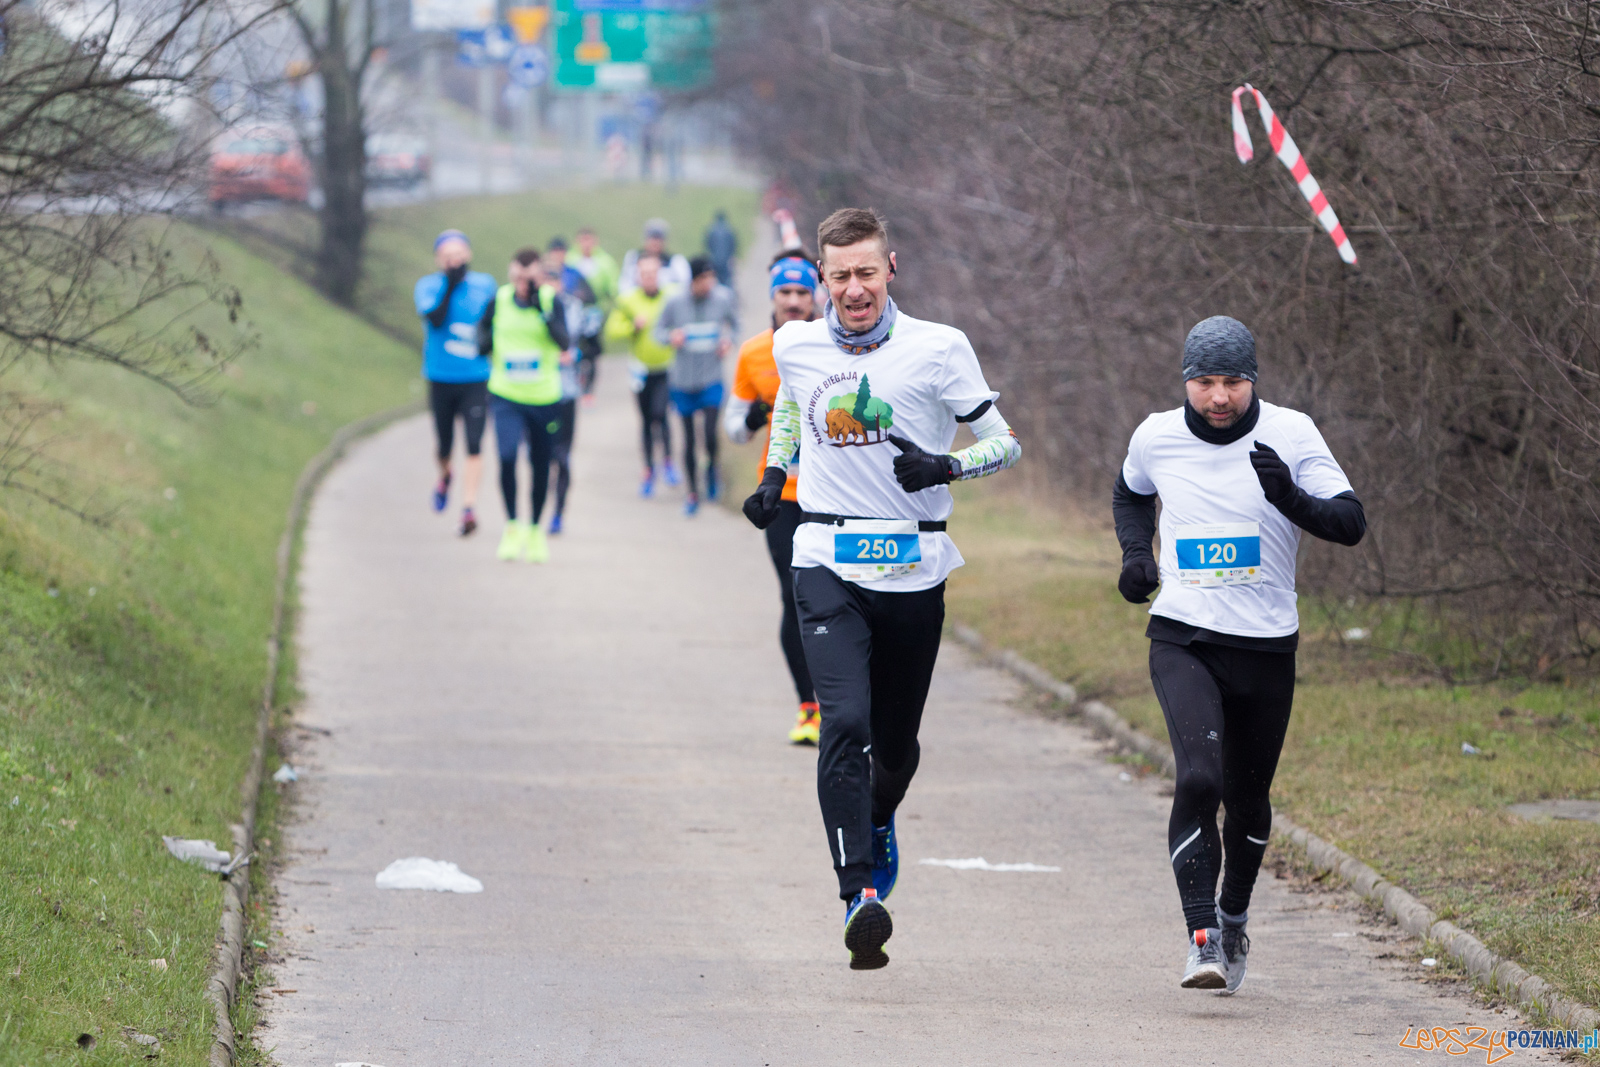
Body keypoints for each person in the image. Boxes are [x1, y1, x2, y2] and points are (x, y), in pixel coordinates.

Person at [742, 208, 1022, 970]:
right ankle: (858, 892)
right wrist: (775, 477)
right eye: (840, 277)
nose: (855, 289)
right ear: (821, 282)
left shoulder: (939, 347)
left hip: (913, 566)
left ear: (890, 267)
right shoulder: (794, 343)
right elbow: (793, 409)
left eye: (867, 272)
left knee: (894, 745)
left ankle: (880, 815)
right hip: (826, 554)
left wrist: (946, 467)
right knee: (846, 721)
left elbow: (1006, 440)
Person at [1112, 315, 1366, 995]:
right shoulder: (1156, 435)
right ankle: (1201, 938)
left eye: (1231, 382)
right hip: (1183, 636)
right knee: (1199, 779)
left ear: (1253, 379)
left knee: (1249, 802)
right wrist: (1138, 557)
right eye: (1204, 382)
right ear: (1185, 380)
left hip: (1265, 644)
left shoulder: (1292, 432)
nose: (1218, 397)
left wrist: (1289, 495)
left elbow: (1350, 523)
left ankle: (1233, 915)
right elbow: (1131, 491)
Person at [726, 250, 823, 744]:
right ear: (772, 297)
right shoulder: (754, 352)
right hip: (782, 495)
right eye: (784, 293)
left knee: (841, 598)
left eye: (802, 293)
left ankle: (843, 702)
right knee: (796, 596)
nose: (792, 301)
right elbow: (734, 428)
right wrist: (753, 417)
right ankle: (809, 707)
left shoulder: (837, 346)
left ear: (816, 297)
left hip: (835, 496)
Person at [477, 248, 571, 563]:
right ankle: (512, 525)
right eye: (517, 277)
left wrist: (540, 311)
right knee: (505, 456)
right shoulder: (499, 299)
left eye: (529, 279)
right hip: (506, 394)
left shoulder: (549, 301)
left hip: (544, 397)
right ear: (511, 274)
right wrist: (484, 343)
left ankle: (534, 529)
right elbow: (483, 334)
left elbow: (564, 341)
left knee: (541, 464)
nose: (522, 284)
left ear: (539, 278)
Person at [414, 229, 498, 537]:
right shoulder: (428, 286)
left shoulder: (485, 285)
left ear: (469, 255)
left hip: (476, 378)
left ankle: (468, 508)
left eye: (459, 255)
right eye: (447, 257)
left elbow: (493, 323)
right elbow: (434, 319)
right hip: (441, 377)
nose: (454, 262)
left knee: (475, 443)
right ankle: (445, 475)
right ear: (438, 260)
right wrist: (449, 285)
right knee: (445, 444)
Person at [655, 255, 738, 516]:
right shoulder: (675, 302)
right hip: (682, 381)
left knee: (711, 434)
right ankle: (692, 492)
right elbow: (658, 331)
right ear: (693, 279)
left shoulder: (723, 298)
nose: (709, 284)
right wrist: (671, 336)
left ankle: (712, 471)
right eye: (704, 279)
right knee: (689, 439)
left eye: (712, 278)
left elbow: (736, 324)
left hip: (711, 378)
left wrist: (728, 340)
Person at [603, 252, 680, 496]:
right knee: (647, 420)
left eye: (653, 273)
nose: (648, 278)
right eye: (644, 274)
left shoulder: (670, 297)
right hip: (640, 371)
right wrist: (631, 327)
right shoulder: (629, 301)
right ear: (638, 275)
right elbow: (612, 330)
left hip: (666, 367)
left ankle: (668, 462)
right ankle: (648, 470)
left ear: (659, 274)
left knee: (661, 414)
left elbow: (682, 321)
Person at [544, 237, 599, 533]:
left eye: (555, 280)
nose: (551, 286)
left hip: (565, 393)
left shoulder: (575, 308)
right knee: (542, 456)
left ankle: (558, 513)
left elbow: (587, 346)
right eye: (546, 281)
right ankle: (539, 510)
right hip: (535, 395)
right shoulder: (529, 310)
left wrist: (574, 354)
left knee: (563, 457)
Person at [571, 227, 619, 402]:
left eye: (589, 240)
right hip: (575, 313)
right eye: (583, 240)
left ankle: (589, 388)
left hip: (596, 313)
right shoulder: (571, 261)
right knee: (576, 349)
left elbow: (613, 287)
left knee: (592, 352)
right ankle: (577, 381)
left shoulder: (605, 262)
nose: (586, 244)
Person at [619, 218, 691, 295]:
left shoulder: (676, 261)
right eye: (652, 238)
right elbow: (624, 285)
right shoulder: (633, 257)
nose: (655, 243)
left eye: (659, 239)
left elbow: (685, 286)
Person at [704, 209, 738, 286]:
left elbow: (708, 244)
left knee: (715, 279)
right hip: (726, 259)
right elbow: (733, 245)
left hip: (714, 259)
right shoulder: (729, 230)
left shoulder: (711, 230)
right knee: (727, 280)